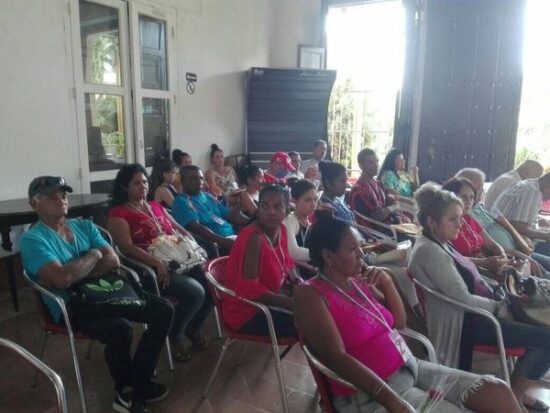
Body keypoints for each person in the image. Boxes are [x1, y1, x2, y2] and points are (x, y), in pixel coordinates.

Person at [293, 215, 521, 413]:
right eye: (352, 250)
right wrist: (394, 402)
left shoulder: (356, 282)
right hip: (370, 395)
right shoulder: (310, 295)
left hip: (410, 366)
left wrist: (387, 283)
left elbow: (398, 323)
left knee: (499, 392)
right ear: (328, 256)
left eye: (360, 246)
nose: (361, 254)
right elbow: (337, 358)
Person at [20, 175, 174, 413]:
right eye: (52, 197)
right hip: (71, 305)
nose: (60, 200)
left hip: (110, 291)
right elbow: (62, 280)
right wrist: (93, 255)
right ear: (34, 204)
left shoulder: (86, 226)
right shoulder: (33, 239)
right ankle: (125, 392)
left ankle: (137, 383)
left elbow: (112, 261)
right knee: (120, 327)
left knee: (164, 310)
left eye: (63, 195)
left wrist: (75, 271)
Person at [408, 183, 550, 411]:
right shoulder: (429, 251)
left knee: (541, 329)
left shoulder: (440, 244)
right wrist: (501, 308)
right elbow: (462, 298)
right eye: (453, 219)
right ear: (432, 222)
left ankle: (514, 394)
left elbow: (468, 279)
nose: (461, 223)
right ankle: (515, 395)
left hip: (480, 314)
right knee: (546, 339)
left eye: (460, 217)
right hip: (469, 322)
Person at [108, 164, 212, 363]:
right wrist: (155, 262)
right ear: (124, 187)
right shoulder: (118, 214)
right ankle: (175, 334)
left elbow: (178, 228)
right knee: (195, 291)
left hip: (179, 260)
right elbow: (127, 248)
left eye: (145, 182)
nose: (143, 187)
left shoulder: (155, 206)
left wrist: (196, 248)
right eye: (136, 183)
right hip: (149, 271)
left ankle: (194, 326)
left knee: (212, 284)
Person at [222, 185, 300, 337]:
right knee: (312, 323)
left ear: (287, 210)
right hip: (248, 311)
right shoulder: (253, 238)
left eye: (278, 207)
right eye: (265, 206)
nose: (271, 212)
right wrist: (291, 304)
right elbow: (249, 289)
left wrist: (296, 280)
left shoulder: (281, 229)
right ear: (259, 209)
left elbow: (287, 261)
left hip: (274, 295)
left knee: (318, 309)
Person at [455, 168, 549, 275]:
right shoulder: (465, 214)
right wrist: (518, 257)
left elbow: (493, 244)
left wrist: (518, 255)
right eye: (477, 189)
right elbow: (480, 253)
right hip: (507, 260)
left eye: (480, 190)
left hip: (514, 254)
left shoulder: (477, 209)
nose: (478, 195)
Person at [172, 165, 250, 255]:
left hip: (232, 236)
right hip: (217, 244)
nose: (199, 182)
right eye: (193, 179)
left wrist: (251, 222)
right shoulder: (181, 202)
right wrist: (224, 241)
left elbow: (230, 214)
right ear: (183, 182)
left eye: (201, 178)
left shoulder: (207, 196)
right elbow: (197, 229)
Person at [441, 177, 509, 278]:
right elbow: (448, 259)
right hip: (466, 273)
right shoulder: (444, 224)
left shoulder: (469, 219)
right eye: (464, 197)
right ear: (452, 198)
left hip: (487, 267)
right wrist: (484, 263)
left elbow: (492, 244)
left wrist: (503, 256)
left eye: (472, 197)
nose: (469, 201)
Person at [492, 172, 550, 257]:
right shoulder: (532, 192)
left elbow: (521, 221)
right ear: (547, 187)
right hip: (512, 244)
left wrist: (542, 225)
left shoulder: (529, 184)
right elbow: (520, 229)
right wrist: (546, 235)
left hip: (514, 238)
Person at [350, 148, 409, 225]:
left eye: (377, 161)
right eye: (371, 163)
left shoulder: (379, 185)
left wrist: (389, 209)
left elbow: (396, 205)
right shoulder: (358, 190)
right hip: (376, 233)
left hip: (391, 227)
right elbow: (376, 218)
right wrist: (391, 208)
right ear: (361, 166)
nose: (376, 165)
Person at [284, 179, 317, 262]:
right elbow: (293, 252)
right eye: (308, 200)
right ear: (294, 201)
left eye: (315, 199)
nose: (313, 205)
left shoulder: (309, 221)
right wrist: (322, 255)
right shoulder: (290, 220)